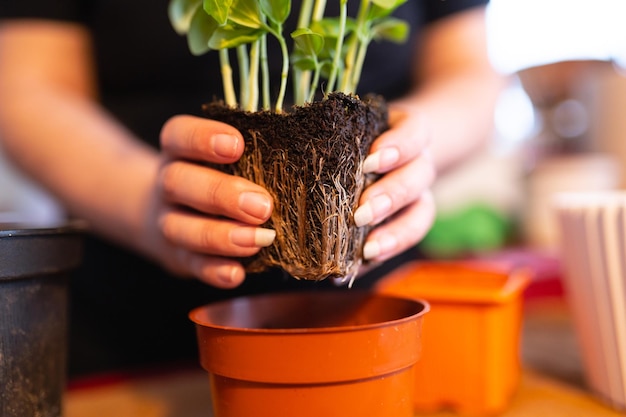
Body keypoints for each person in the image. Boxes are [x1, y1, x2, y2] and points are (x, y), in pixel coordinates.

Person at [0, 1, 505, 377]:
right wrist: (145, 203)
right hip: (130, 320)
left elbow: (469, 71)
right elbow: (27, 86)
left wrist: (414, 147)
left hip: (372, 301)